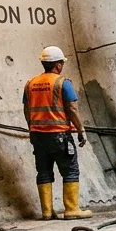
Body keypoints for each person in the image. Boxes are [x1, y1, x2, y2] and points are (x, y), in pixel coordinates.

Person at [23, 46, 92, 220]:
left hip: (37, 136)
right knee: (70, 170)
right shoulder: (63, 83)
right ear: (58, 65)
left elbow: (26, 109)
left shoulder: (30, 83)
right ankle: (71, 209)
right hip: (59, 134)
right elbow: (72, 108)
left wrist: (33, 127)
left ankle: (47, 212)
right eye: (61, 62)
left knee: (44, 171)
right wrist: (81, 129)